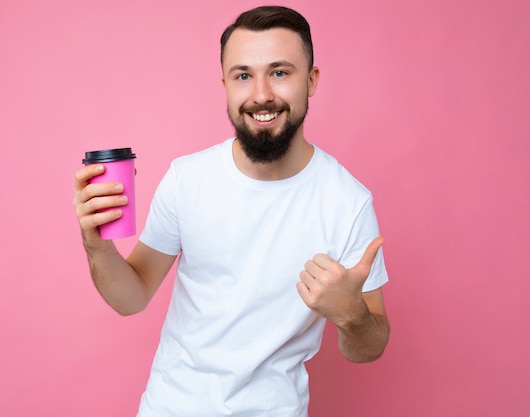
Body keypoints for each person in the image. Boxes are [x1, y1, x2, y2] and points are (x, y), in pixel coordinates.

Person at [73, 5, 390, 417]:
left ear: (311, 81)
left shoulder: (348, 202)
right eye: (243, 75)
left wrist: (351, 315)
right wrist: (96, 246)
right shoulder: (187, 178)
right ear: (225, 84)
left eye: (280, 72)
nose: (261, 94)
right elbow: (131, 298)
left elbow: (370, 346)